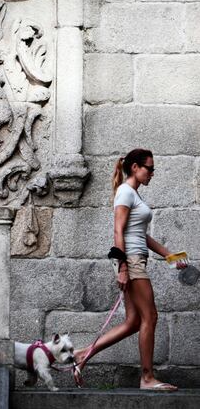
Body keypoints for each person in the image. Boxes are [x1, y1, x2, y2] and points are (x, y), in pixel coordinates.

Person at [73, 148, 185, 391]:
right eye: (149, 168)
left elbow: (140, 235)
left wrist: (170, 256)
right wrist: (123, 266)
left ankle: (83, 354)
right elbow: (118, 230)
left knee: (134, 321)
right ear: (135, 167)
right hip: (131, 261)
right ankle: (147, 378)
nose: (152, 173)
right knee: (150, 316)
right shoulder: (125, 191)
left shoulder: (133, 194)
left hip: (136, 258)